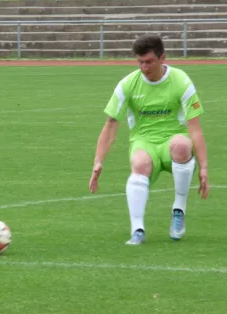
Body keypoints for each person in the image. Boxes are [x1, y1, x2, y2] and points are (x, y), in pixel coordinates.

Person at [89, 34, 209, 245]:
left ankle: (178, 210)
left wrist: (204, 167)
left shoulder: (181, 81)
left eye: (149, 61)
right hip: (143, 141)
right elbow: (110, 125)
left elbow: (195, 129)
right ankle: (138, 230)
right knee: (140, 163)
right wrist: (98, 161)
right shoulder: (128, 84)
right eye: (140, 62)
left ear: (163, 58)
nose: (144, 67)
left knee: (182, 145)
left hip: (172, 138)